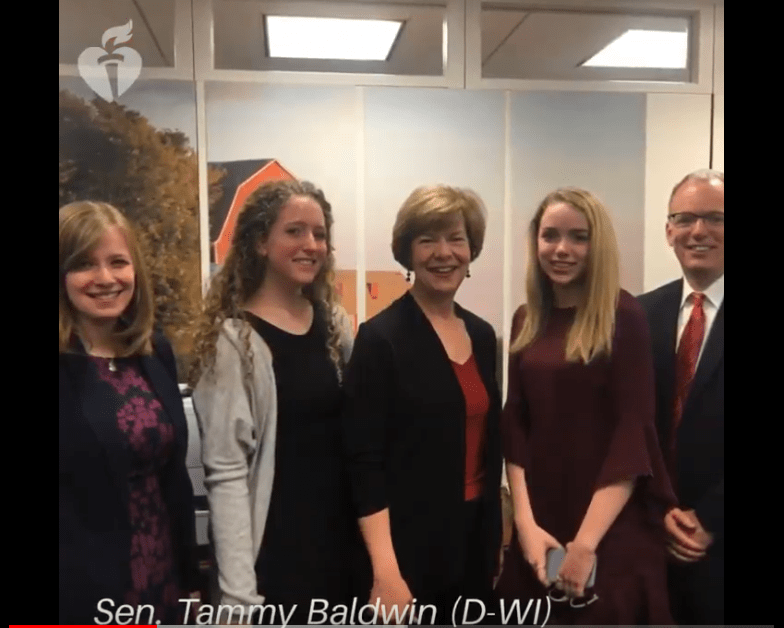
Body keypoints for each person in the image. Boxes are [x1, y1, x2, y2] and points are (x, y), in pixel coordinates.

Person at [496, 188, 676, 624]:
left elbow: (633, 434)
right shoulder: (526, 319)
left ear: (598, 245)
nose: (562, 249)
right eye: (550, 235)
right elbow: (516, 422)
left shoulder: (625, 316)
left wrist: (584, 545)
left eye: (579, 237)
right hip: (541, 523)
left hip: (606, 527)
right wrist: (523, 524)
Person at [190, 180, 357, 624]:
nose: (311, 245)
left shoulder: (335, 326)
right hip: (277, 559)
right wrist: (238, 596)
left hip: (341, 548)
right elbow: (226, 474)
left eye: (319, 234)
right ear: (261, 242)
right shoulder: (234, 342)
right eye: (294, 232)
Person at [342, 185, 503, 625]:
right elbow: (363, 462)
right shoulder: (381, 340)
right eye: (427, 239)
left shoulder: (484, 336)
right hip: (405, 553)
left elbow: (488, 448)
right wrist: (385, 571)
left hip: (473, 542)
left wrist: (493, 542)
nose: (443, 253)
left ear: (471, 250)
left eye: (456, 238)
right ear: (407, 252)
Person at [59, 201, 197, 624]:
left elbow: (174, 478)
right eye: (84, 264)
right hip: (83, 595)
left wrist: (190, 581)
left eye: (118, 262)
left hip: (165, 586)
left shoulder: (155, 353)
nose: (105, 278)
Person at [637, 170, 724, 624]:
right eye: (685, 218)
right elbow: (628, 426)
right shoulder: (637, 313)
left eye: (715, 218)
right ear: (668, 230)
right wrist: (660, 510)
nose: (699, 231)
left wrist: (708, 518)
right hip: (647, 542)